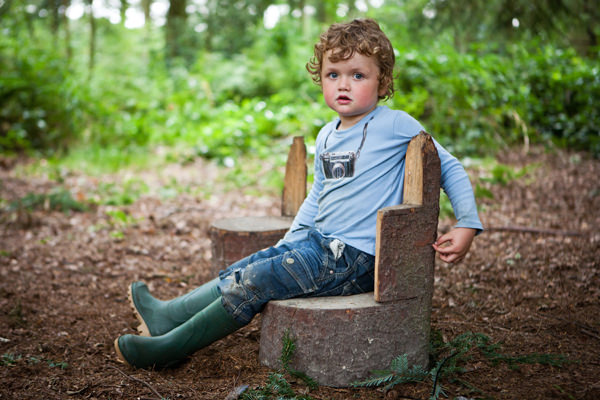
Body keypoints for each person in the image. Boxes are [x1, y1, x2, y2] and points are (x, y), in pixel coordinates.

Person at [114, 18, 483, 369]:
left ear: (383, 83)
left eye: (358, 75)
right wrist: (289, 243)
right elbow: (317, 196)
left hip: (355, 259)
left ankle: (170, 349)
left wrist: (467, 224)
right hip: (319, 246)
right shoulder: (326, 134)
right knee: (253, 265)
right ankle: (168, 316)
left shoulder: (395, 124)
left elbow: (446, 165)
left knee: (257, 282)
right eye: (333, 74)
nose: (344, 85)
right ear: (320, 78)